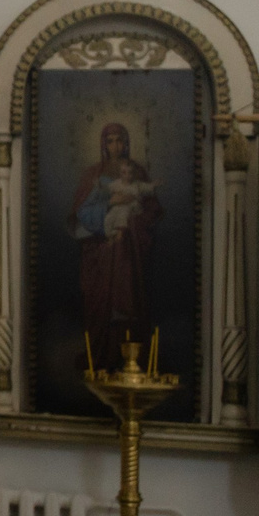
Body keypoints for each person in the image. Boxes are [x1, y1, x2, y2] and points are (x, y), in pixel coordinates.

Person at [70, 120, 159, 357]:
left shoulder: (137, 172)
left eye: (120, 140)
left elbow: (152, 211)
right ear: (103, 144)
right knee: (99, 305)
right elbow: (78, 215)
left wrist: (132, 223)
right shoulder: (93, 174)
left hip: (129, 253)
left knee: (127, 307)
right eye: (110, 141)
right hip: (99, 252)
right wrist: (110, 204)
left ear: (126, 143)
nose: (115, 146)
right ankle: (98, 357)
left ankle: (128, 360)